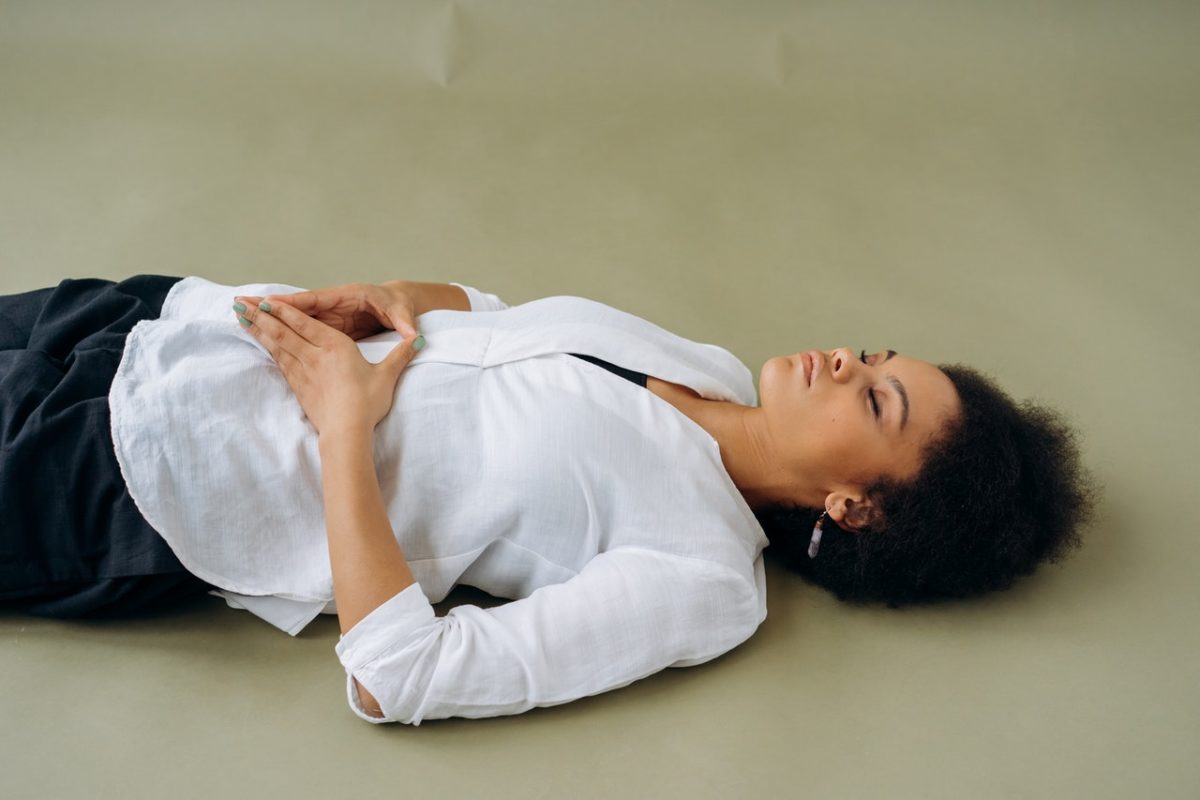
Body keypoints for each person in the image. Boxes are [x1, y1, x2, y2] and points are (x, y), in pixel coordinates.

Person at [0, 274, 1094, 724]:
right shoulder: (703, 361)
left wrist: (345, 423)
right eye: (876, 353)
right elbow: (492, 314)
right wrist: (383, 296)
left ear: (861, 507)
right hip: (168, 320)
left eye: (879, 398)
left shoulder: (704, 580)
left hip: (135, 483)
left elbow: (401, 675)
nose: (846, 360)